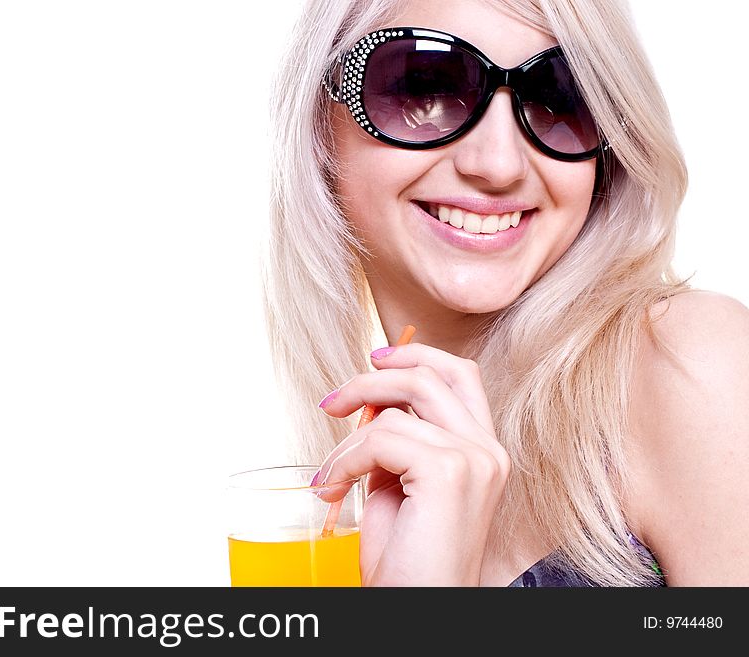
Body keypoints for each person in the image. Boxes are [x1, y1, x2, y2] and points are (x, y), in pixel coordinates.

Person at [262, 0, 749, 586]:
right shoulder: (339, 480)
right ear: (319, 121)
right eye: (423, 89)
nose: (498, 164)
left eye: (558, 100)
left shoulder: (687, 360)